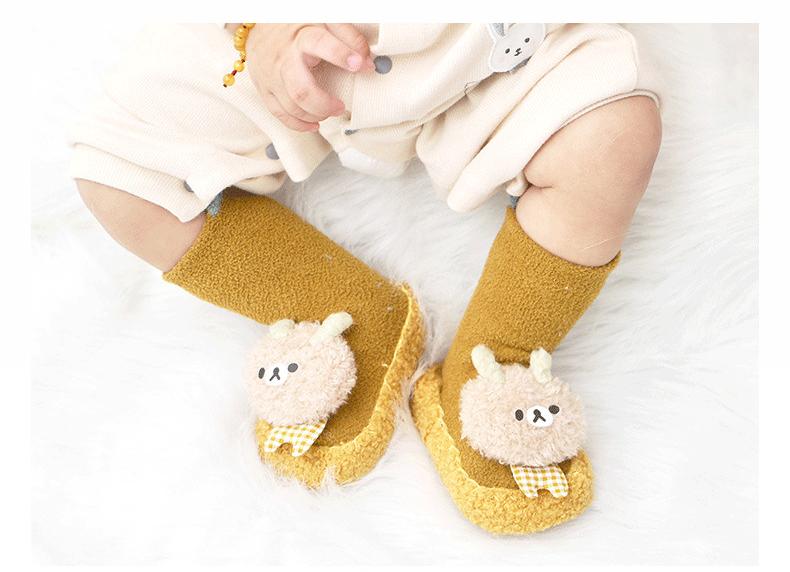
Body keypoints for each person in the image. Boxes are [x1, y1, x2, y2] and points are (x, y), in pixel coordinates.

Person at [71, 23, 661, 534]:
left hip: (488, 51)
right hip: (292, 56)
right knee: (114, 171)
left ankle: (498, 357)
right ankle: (341, 311)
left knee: (614, 135)